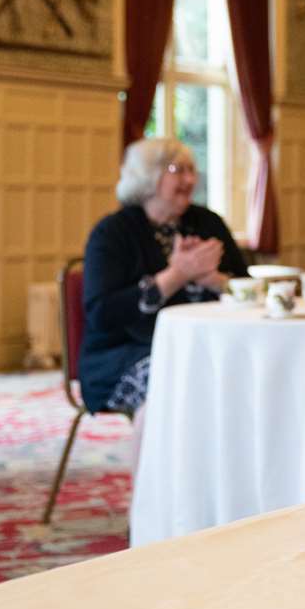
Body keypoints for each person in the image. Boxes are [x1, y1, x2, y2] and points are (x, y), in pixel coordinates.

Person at [81, 138, 249, 417]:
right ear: (149, 176)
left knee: (248, 372)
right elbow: (101, 312)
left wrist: (215, 281)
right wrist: (176, 275)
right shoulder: (112, 232)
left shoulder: (209, 223)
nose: (190, 179)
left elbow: (247, 288)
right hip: (123, 355)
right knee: (174, 383)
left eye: (192, 170)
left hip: (208, 346)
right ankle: (158, 462)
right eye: (177, 169)